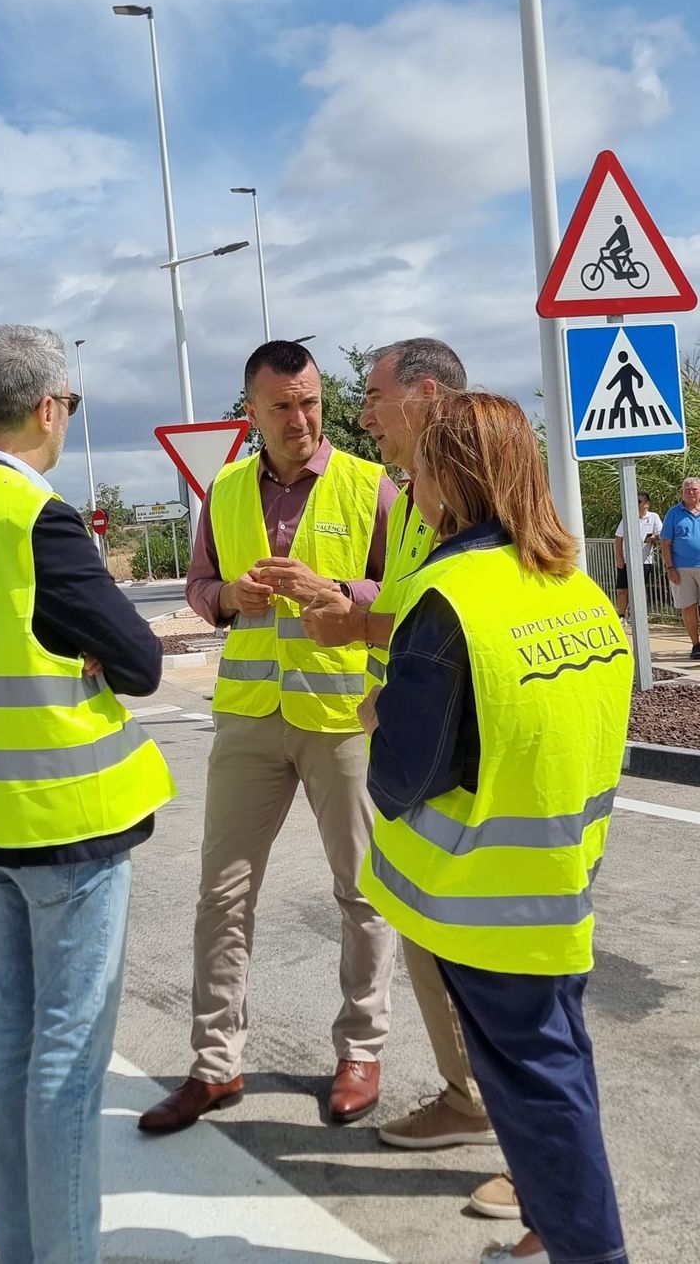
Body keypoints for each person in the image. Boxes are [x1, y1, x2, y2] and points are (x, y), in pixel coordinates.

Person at [0, 324, 177, 1264]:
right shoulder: (35, 516)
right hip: (71, 826)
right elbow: (136, 660)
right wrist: (94, 648)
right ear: (51, 407)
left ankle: (22, 1247)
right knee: (67, 1061)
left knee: (10, 1045)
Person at [360, 391, 633, 1264]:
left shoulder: (447, 596)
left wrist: (376, 713)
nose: (412, 482)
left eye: (421, 467)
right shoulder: (574, 585)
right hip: (562, 870)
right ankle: (550, 1228)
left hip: (482, 894)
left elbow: (403, 775)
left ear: (448, 478)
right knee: (554, 1065)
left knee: (536, 1085)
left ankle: (590, 1252)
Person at [138, 339, 397, 1137]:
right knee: (222, 894)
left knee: (363, 890)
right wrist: (228, 594)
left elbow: (413, 586)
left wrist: (341, 590)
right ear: (249, 412)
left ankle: (362, 1051)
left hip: (344, 716)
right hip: (250, 717)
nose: (300, 417)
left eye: (311, 400)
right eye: (281, 405)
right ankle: (215, 1063)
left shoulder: (370, 485)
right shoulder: (223, 488)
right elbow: (198, 586)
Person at [302, 340, 504, 1188]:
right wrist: (357, 618)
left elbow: (484, 611)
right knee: (429, 945)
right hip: (420, 760)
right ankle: (468, 1100)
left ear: (425, 393)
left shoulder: (480, 484)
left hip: (475, 770)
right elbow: (422, 607)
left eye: (376, 396)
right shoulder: (422, 496)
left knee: (502, 981)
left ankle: (537, 1171)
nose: (365, 415)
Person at [660, 476, 700, 659]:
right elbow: (665, 542)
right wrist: (670, 569)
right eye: (687, 489)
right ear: (682, 492)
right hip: (682, 568)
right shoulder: (674, 513)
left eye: (694, 489)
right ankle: (696, 645)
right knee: (688, 606)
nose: (691, 492)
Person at [614, 491, 663, 617]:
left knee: (639, 590)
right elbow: (618, 537)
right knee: (622, 590)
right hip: (626, 560)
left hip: (644, 560)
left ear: (647, 504)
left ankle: (637, 615)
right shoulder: (628, 517)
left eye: (639, 501)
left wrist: (654, 537)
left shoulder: (654, 517)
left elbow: (661, 533)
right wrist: (619, 557)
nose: (636, 504)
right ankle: (621, 616)